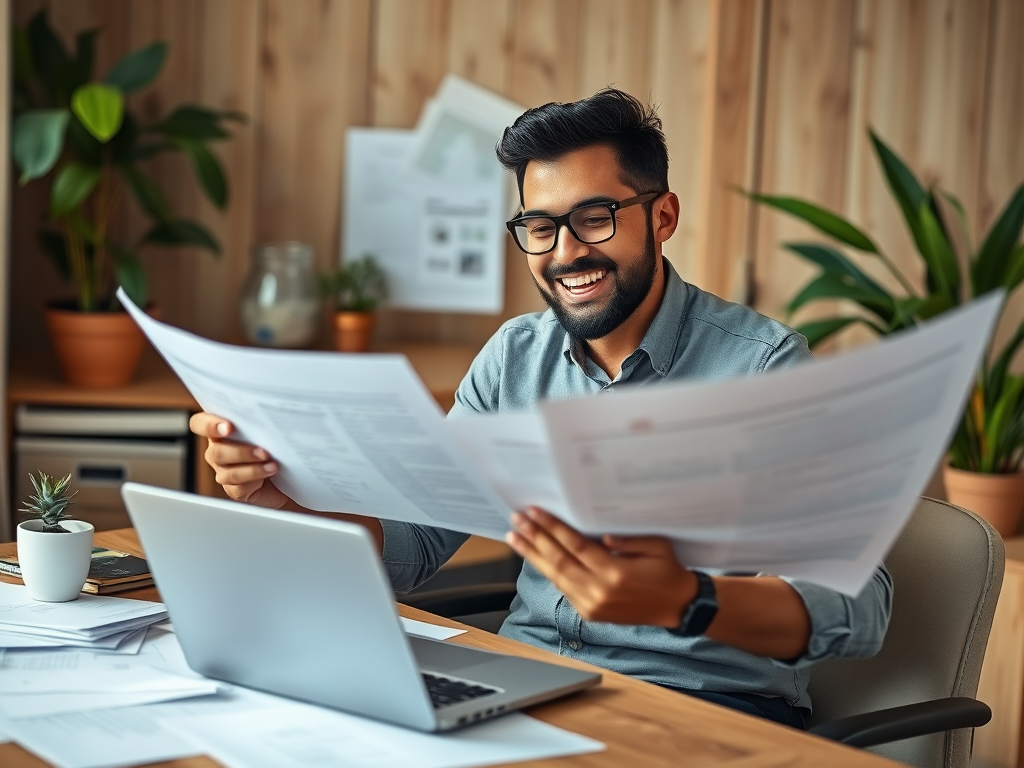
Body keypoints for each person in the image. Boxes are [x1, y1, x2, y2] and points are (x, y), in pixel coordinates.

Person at [190, 88, 892, 729]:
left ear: (664, 215)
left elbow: (861, 609)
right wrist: (287, 499)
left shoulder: (765, 369)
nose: (565, 253)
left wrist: (684, 597)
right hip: (526, 688)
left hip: (700, 707)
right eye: (540, 226)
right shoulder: (514, 358)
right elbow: (415, 547)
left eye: (595, 218)